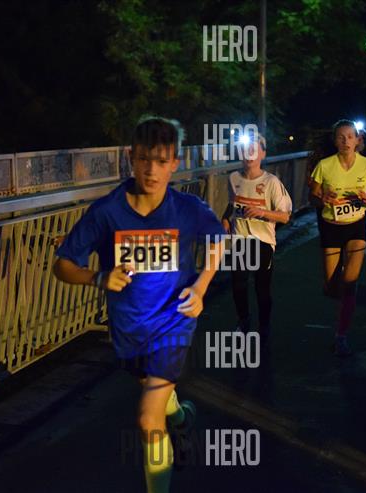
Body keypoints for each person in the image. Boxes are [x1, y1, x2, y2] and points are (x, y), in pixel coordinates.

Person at [53, 116, 225, 493]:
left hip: (174, 321)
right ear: (131, 157)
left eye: (161, 161)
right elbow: (62, 265)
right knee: (155, 398)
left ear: (175, 163)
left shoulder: (188, 208)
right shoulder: (107, 212)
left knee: (148, 418)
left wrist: (200, 287)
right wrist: (98, 278)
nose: (151, 170)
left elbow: (218, 238)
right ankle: (181, 419)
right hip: (129, 328)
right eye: (144, 159)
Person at [309, 119, 366, 356]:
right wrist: (322, 199)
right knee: (332, 286)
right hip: (331, 227)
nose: (346, 141)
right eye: (341, 137)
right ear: (335, 141)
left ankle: (341, 335)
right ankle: (340, 292)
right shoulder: (324, 165)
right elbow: (312, 197)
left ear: (357, 140)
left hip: (356, 227)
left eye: (350, 136)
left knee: (350, 284)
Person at [221, 132, 292, 346]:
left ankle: (264, 325)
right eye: (244, 149)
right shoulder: (233, 178)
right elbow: (233, 204)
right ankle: (244, 320)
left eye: (253, 149)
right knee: (238, 284)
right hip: (239, 239)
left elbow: (285, 216)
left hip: (262, 240)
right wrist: (225, 218)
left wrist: (262, 213)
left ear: (263, 154)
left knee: (262, 287)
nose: (248, 154)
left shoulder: (271, 182)